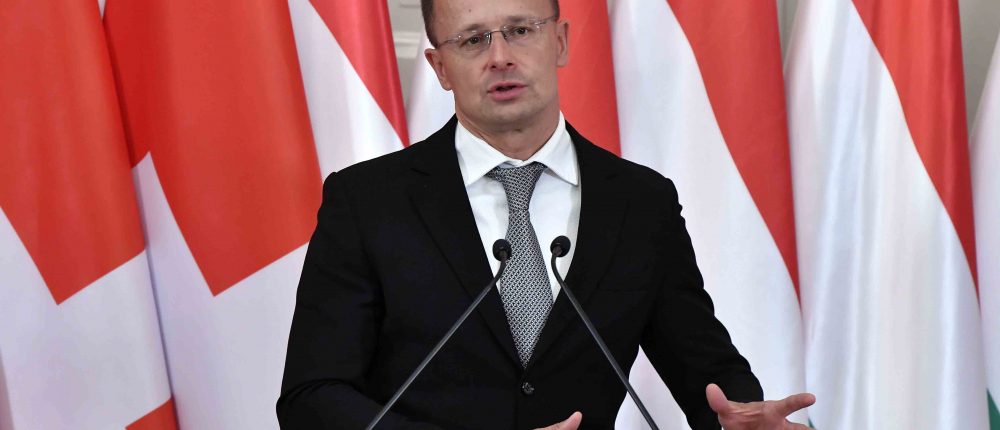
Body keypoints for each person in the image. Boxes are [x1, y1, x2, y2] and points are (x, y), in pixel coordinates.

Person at [277, 0, 815, 428]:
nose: (500, 57)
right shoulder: (368, 201)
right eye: (472, 40)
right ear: (440, 67)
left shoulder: (641, 202)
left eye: (520, 30)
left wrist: (738, 417)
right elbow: (312, 397)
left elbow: (705, 368)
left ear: (559, 40)